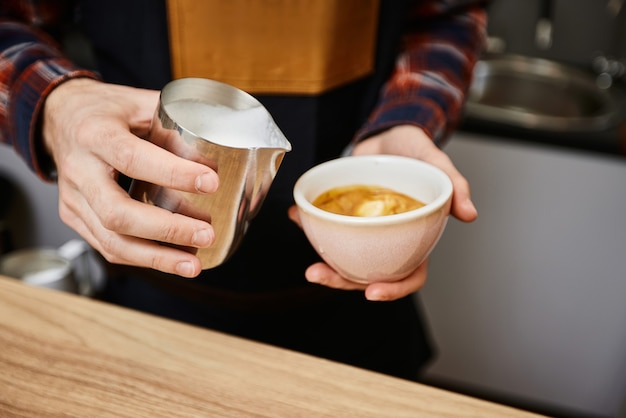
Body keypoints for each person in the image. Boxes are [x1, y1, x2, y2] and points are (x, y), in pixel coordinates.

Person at [0, 1, 486, 381]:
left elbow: (444, 16)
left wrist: (408, 116)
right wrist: (57, 105)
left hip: (356, 309)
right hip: (147, 306)